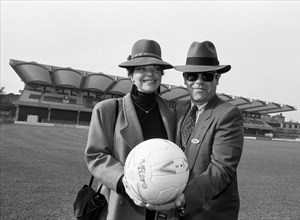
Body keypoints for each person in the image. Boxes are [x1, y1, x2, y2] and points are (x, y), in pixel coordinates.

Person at [146, 41, 244, 220]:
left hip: (209, 214)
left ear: (217, 78)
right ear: (185, 79)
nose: (198, 81)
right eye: (192, 76)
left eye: (206, 76)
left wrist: (183, 199)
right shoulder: (178, 108)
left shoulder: (228, 114)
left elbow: (221, 169)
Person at [85, 39, 177, 220]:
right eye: (141, 68)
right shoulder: (107, 110)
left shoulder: (171, 115)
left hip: (160, 207)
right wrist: (124, 181)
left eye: (156, 68)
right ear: (130, 75)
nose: (150, 74)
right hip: (122, 202)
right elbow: (96, 156)